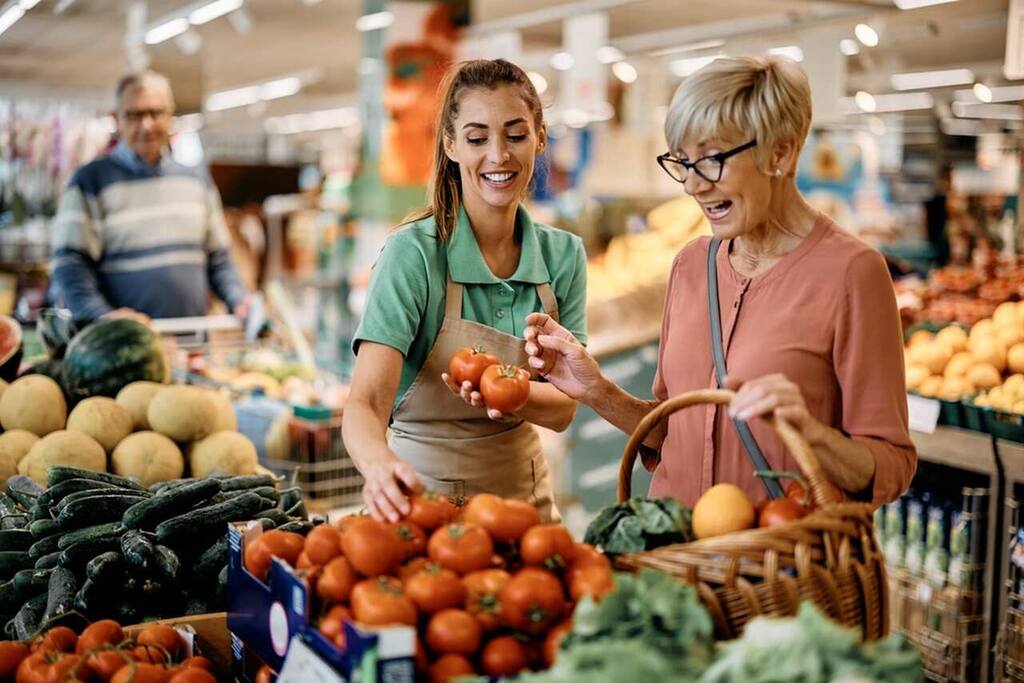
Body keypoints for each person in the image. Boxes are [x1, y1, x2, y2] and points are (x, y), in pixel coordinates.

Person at [525, 55, 916, 508]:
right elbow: (675, 433)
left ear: (781, 153)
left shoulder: (852, 273)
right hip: (677, 560)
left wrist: (810, 435)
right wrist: (597, 391)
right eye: (683, 162)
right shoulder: (691, 265)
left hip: (778, 566)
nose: (692, 185)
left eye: (711, 160)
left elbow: (891, 466)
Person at [343, 59, 587, 523]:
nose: (498, 156)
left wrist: (507, 392)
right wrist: (379, 466)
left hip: (524, 507)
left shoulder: (563, 256)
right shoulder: (412, 254)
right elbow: (367, 402)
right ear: (451, 145)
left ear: (539, 137)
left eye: (515, 135)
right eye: (477, 138)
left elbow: (563, 412)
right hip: (421, 502)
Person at [50, 70, 250, 323]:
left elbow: (218, 259)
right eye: (134, 115)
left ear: (171, 115)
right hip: (120, 346)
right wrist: (101, 316)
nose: (146, 125)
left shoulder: (197, 180)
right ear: (116, 119)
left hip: (190, 341)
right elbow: (70, 264)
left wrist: (239, 300)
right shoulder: (90, 181)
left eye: (156, 113)